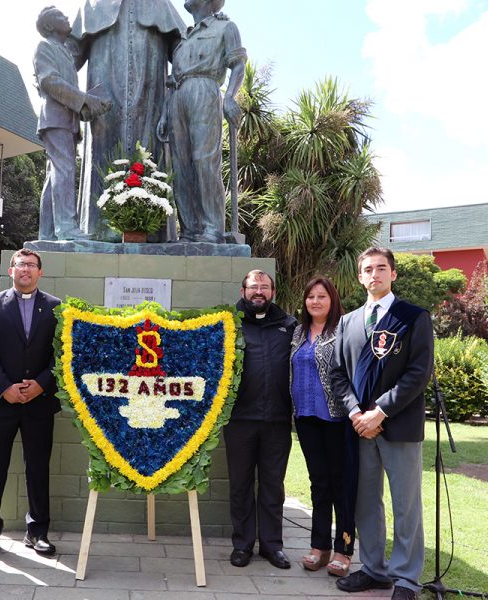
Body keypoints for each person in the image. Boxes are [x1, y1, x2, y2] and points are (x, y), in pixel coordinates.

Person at [330, 248, 434, 600]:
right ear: (360, 277)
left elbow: (418, 373)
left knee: (406, 504)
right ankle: (374, 569)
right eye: (368, 270)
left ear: (393, 275)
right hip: (359, 429)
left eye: (381, 268)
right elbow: (338, 375)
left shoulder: (413, 318)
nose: (374, 274)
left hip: (399, 426)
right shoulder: (348, 322)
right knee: (365, 502)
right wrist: (357, 414)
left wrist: (381, 412)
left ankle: (405, 578)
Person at [71, 0, 186, 239]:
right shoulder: (92, 4)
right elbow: (68, 53)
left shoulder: (159, 3)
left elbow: (183, 50)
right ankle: (99, 232)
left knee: (150, 157)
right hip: (104, 106)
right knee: (102, 158)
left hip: (150, 100)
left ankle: (153, 233)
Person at [0, 249, 61, 561]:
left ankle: (37, 532)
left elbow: (60, 353)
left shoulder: (55, 307)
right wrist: (5, 388)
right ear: (11, 270)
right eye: (20, 264)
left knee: (38, 469)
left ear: (40, 272)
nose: (25, 269)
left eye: (31, 265)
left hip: (40, 403)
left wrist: (41, 384)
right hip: (1, 403)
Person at [225, 270, 296, 569]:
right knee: (240, 485)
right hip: (239, 421)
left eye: (264, 287)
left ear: (273, 292)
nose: (259, 292)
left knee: (272, 486)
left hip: (277, 421)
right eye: (253, 287)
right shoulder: (229, 324)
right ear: (243, 292)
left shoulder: (289, 325)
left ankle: (271, 546)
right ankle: (242, 545)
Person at [158, 0, 246, 243]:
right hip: (178, 95)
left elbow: (238, 64)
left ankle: (212, 228)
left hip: (205, 90)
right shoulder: (183, 39)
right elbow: (173, 79)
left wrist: (230, 97)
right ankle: (189, 230)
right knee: (181, 166)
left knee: (204, 161)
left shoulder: (226, 28)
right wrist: (166, 113)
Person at [289, 277, 357, 576]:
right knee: (318, 482)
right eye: (310, 296)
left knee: (341, 485)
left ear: (332, 300)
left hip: (337, 419)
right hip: (305, 418)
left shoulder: (344, 330)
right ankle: (319, 547)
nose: (315, 301)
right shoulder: (298, 332)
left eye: (322, 296)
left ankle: (344, 549)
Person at [34, 6, 111, 241]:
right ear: (49, 26)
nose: (67, 18)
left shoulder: (64, 52)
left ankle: (47, 232)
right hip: (55, 119)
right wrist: (86, 100)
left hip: (67, 120)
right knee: (64, 170)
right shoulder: (45, 47)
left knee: (55, 174)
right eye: (60, 16)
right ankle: (66, 227)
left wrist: (86, 106)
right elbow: (50, 82)